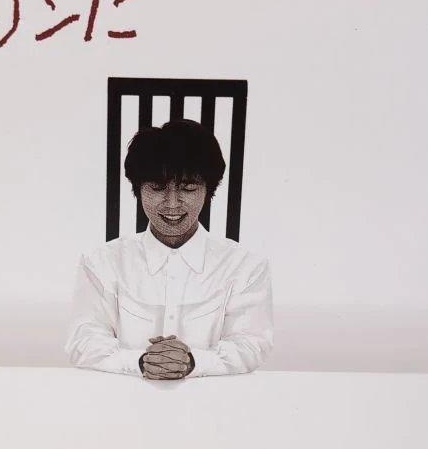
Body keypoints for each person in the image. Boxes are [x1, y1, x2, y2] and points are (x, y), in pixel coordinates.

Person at [66, 119, 273, 378]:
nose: (172, 203)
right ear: (138, 190)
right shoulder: (101, 263)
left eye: (188, 188)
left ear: (208, 191)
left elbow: (251, 344)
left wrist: (193, 362)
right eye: (157, 188)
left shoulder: (246, 267)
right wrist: (141, 362)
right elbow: (83, 341)